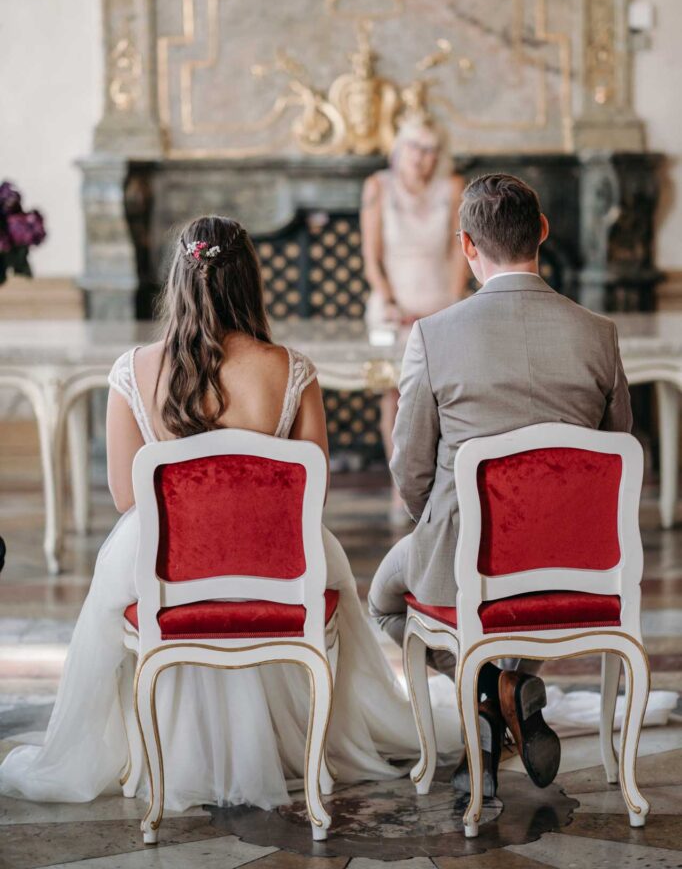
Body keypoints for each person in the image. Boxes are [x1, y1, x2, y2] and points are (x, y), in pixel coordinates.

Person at [0, 215, 458, 811]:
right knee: (325, 562)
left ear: (179, 280)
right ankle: (305, 734)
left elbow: (124, 496)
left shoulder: (131, 371)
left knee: (128, 563)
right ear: (250, 280)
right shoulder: (291, 369)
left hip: (168, 571)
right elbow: (309, 490)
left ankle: (158, 745)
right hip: (272, 570)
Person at [368, 173, 633, 798]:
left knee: (382, 600)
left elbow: (409, 467)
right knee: (527, 582)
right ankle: (511, 686)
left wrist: (434, 521)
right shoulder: (599, 334)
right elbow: (619, 450)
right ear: (542, 231)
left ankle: (484, 695)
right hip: (576, 561)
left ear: (466, 246)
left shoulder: (433, 335)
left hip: (467, 555)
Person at [361, 115, 470, 521]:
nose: (422, 159)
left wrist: (454, 302)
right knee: (396, 394)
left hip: (441, 302)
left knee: (445, 396)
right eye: (414, 148)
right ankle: (399, 489)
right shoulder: (377, 187)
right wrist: (390, 302)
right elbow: (371, 256)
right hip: (393, 309)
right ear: (399, 148)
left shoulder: (453, 187)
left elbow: (459, 250)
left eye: (430, 150)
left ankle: (442, 489)